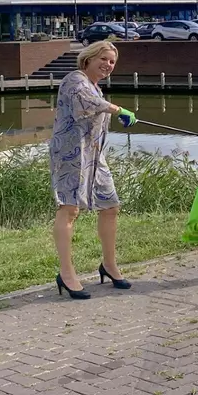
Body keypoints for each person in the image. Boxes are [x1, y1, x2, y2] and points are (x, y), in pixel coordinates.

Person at [50, 40, 137, 299]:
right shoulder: (74, 79)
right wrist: (118, 109)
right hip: (70, 155)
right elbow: (85, 103)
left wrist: (113, 111)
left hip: (94, 156)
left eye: (112, 62)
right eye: (104, 59)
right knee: (70, 209)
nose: (108, 65)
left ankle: (109, 265)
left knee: (110, 207)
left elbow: (95, 105)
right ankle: (66, 274)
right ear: (88, 58)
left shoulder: (95, 87)